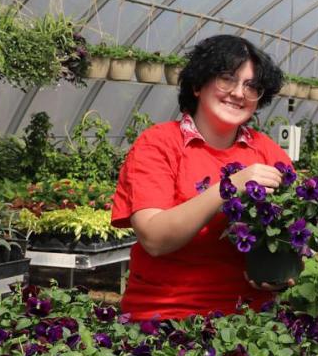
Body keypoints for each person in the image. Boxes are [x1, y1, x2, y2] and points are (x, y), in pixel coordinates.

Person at [111, 35, 293, 321]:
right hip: (165, 319)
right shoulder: (159, 144)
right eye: (227, 79)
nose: (238, 93)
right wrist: (230, 186)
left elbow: (295, 230)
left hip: (251, 322)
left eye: (251, 86)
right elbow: (155, 239)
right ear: (197, 85)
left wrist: (282, 271)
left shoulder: (267, 152)